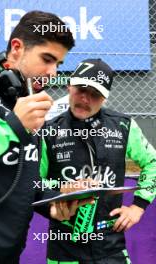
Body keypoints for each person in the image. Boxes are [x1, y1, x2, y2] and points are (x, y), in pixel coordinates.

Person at [0, 11, 93, 264]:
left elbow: (23, 180)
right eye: (47, 59)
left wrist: (55, 203)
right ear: (17, 48)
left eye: (59, 64)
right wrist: (11, 127)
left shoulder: (28, 103)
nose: (53, 72)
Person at [41, 58, 156, 264]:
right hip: (64, 246)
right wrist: (59, 192)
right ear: (69, 85)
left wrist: (138, 206)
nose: (85, 98)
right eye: (80, 89)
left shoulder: (122, 126)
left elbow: (153, 162)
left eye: (95, 94)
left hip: (110, 245)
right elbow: (33, 180)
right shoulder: (48, 131)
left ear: (105, 98)